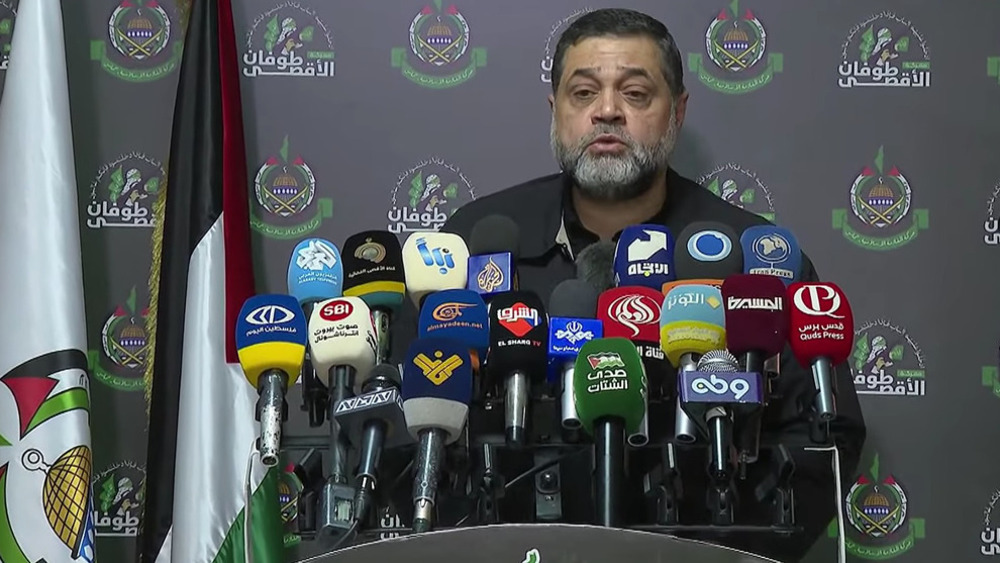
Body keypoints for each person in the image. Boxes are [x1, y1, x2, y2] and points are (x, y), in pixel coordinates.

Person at [389, 9, 866, 561]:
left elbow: (821, 441)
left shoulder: (754, 257)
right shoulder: (474, 243)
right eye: (583, 92)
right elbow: (408, 424)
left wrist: (710, 554)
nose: (607, 111)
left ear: (678, 113)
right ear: (556, 111)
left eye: (635, 94)